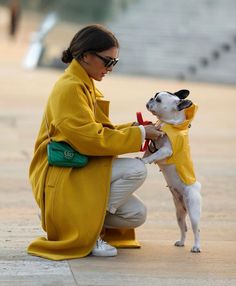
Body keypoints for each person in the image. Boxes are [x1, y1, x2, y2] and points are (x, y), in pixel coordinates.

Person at [27, 24, 163, 260]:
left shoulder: (83, 84)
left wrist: (137, 129)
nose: (110, 68)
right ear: (86, 55)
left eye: (114, 63)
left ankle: (68, 217)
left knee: (136, 214)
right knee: (137, 169)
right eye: (107, 61)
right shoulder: (69, 88)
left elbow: (96, 130)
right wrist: (140, 135)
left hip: (77, 166)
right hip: (62, 172)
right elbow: (90, 140)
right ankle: (85, 231)